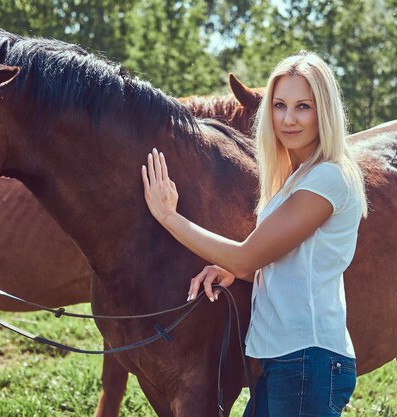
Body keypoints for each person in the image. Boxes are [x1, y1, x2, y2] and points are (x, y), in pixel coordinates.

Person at [141, 51, 368, 417]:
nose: (288, 119)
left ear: (324, 111)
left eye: (303, 107)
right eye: (279, 106)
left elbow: (249, 254)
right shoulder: (298, 178)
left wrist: (169, 216)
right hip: (286, 360)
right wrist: (236, 270)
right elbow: (275, 259)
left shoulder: (328, 177)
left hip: (307, 362)